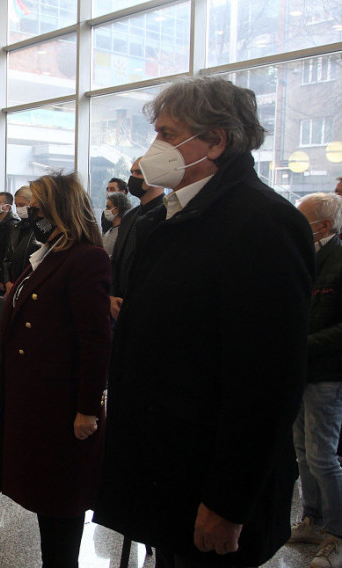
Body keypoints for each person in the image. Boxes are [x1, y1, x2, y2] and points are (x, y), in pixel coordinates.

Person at [94, 76, 313, 568]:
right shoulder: (173, 217)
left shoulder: (263, 223)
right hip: (167, 466)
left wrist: (228, 501)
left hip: (206, 480)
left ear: (215, 140)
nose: (155, 147)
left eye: (168, 134)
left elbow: (268, 381)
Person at [0, 173, 111, 566]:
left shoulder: (86, 258)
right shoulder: (49, 252)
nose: (31, 213)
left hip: (62, 403)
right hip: (36, 399)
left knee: (62, 501)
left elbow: (95, 343)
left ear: (59, 209)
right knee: (48, 498)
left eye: (38, 206)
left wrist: (87, 409)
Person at [289, 192, 342, 568]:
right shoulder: (302, 257)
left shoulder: (338, 261)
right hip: (299, 370)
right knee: (303, 453)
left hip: (327, 373)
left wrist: (302, 344)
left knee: (323, 456)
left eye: (302, 218)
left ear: (323, 225)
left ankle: (337, 534)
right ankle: (312, 518)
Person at [109, 159, 165, 320]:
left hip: (149, 308)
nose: (132, 178)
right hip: (119, 305)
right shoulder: (129, 216)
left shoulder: (167, 215)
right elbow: (116, 260)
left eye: (138, 173)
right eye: (132, 172)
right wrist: (111, 296)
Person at [2, 186, 41, 291]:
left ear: (32, 204)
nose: (19, 209)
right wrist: (7, 282)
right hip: (13, 284)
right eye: (16, 205)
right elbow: (7, 257)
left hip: (29, 285)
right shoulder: (16, 227)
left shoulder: (40, 228)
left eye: (22, 205)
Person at [101, 191, 131, 257]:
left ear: (117, 209)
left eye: (108, 207)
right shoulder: (109, 231)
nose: (106, 210)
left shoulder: (123, 232)